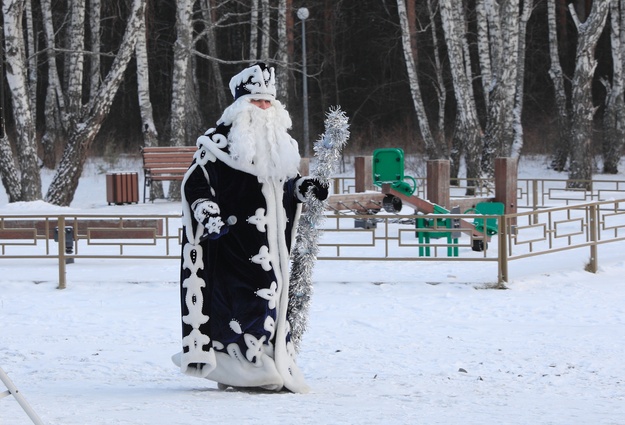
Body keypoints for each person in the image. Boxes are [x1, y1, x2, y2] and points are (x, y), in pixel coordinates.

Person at [173, 63, 327, 393]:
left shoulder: (282, 146)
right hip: (232, 242)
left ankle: (270, 362)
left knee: (272, 298)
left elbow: (286, 186)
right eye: (257, 101)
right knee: (242, 302)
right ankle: (239, 365)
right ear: (241, 105)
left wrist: (304, 188)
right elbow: (196, 185)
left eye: (268, 102)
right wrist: (208, 213)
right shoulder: (216, 145)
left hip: (272, 246)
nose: (264, 108)